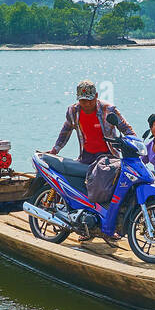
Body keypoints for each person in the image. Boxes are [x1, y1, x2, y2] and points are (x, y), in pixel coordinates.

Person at [46, 79, 136, 239]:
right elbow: (65, 131)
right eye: (82, 100)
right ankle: (86, 229)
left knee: (112, 193)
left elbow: (127, 130)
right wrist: (55, 149)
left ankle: (111, 227)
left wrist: (134, 145)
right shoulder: (73, 111)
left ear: (96, 96)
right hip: (87, 156)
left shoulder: (109, 110)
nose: (86, 104)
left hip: (109, 156)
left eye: (89, 100)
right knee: (85, 190)